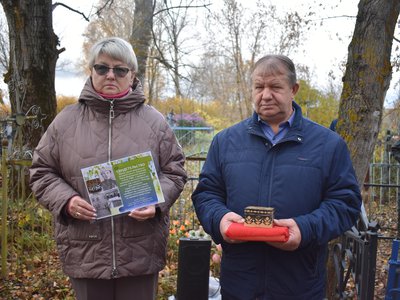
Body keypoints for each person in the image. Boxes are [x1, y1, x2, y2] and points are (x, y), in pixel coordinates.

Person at [191, 54, 362, 300]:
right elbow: (207, 195)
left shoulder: (328, 145)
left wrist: (305, 229)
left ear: (293, 89)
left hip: (299, 283)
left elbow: (345, 204)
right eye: (259, 87)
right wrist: (220, 220)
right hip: (240, 283)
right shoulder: (225, 142)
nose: (266, 94)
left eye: (275, 87)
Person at [29, 37, 187, 300]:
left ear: (132, 74)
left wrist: (157, 201)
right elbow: (41, 171)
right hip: (85, 248)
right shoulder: (65, 122)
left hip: (140, 249)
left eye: (120, 69)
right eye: (102, 68)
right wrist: (66, 200)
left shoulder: (154, 122)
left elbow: (175, 171)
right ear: (91, 71)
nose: (110, 75)